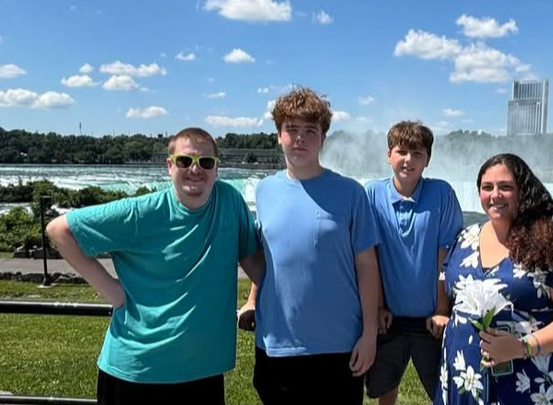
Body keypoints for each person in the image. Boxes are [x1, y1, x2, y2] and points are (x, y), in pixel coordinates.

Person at [46, 127, 264, 405]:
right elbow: (60, 230)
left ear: (216, 169)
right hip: (135, 373)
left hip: (203, 373)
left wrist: (262, 298)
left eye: (206, 162)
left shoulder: (230, 202)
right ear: (169, 166)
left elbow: (254, 260)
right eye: (185, 161)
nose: (195, 169)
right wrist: (112, 291)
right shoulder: (140, 212)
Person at [241, 87, 381, 405]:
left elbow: (367, 266)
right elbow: (267, 257)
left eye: (310, 131)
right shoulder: (263, 191)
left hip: (339, 345)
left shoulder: (351, 193)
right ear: (279, 135)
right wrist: (252, 299)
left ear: (323, 139)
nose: (300, 139)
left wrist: (369, 334)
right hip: (276, 343)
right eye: (291, 129)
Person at [434, 153, 553, 405]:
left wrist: (523, 347)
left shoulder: (551, 243)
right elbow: (448, 283)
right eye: (487, 187)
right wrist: (441, 312)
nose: (495, 195)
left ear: (523, 191)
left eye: (505, 187)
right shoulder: (465, 239)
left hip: (532, 387)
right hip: (465, 382)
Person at [364, 121, 463, 405]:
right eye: (402, 151)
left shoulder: (442, 194)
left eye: (418, 153)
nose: (409, 159)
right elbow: (371, 255)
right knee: (384, 387)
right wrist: (378, 306)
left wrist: (442, 309)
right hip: (389, 317)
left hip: (432, 319)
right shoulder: (372, 194)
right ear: (389, 155)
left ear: (428, 160)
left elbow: (446, 254)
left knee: (444, 390)